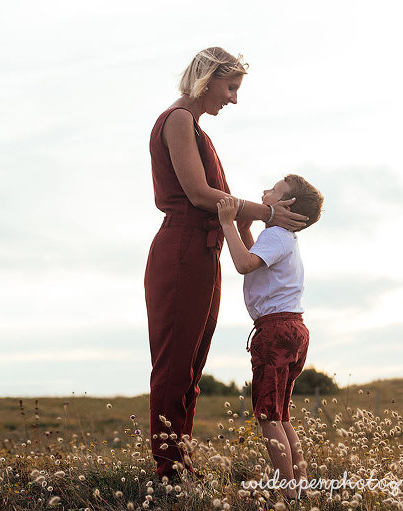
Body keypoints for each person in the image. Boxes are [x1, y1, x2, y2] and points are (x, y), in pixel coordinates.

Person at [144, 47, 308, 480]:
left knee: (192, 365)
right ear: (207, 79)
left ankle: (181, 464)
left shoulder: (198, 129)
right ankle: (169, 473)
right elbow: (200, 195)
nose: (233, 98)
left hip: (204, 251)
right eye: (230, 87)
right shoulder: (178, 120)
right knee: (176, 364)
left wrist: (260, 231)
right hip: (182, 248)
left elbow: (227, 207)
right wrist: (269, 213)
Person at [216, 174, 323, 498]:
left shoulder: (277, 235)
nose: (265, 191)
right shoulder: (281, 239)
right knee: (281, 416)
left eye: (274, 190)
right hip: (294, 328)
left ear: (286, 204)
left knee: (267, 416)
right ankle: (300, 489)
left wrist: (227, 223)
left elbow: (245, 263)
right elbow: (257, 258)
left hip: (275, 332)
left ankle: (290, 495)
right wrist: (245, 225)